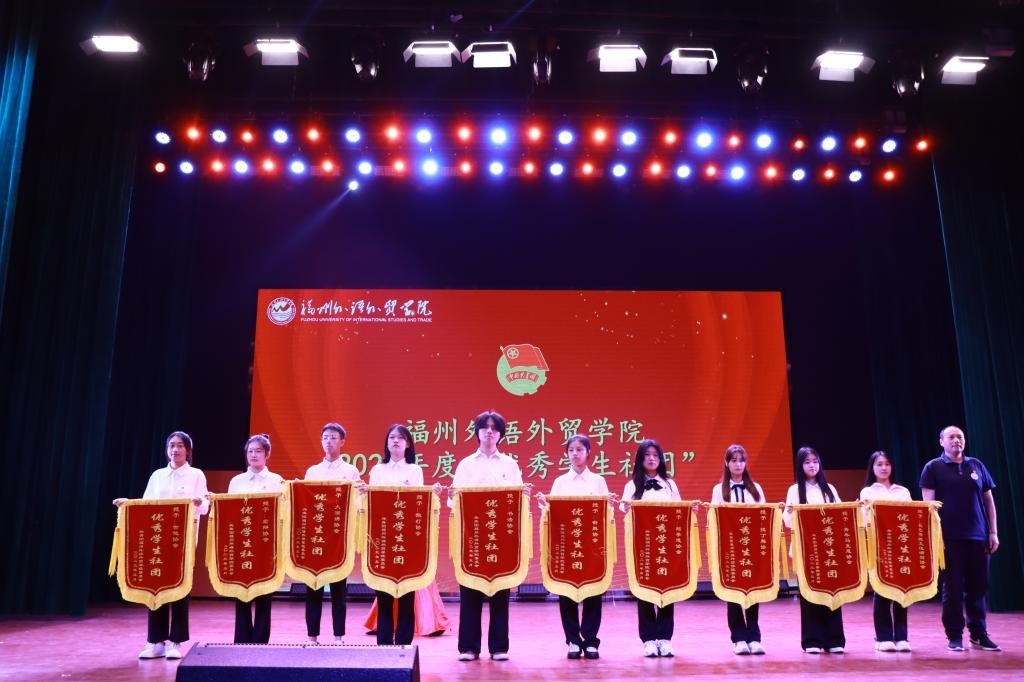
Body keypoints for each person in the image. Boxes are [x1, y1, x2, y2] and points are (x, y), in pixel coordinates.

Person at [112, 431, 209, 660]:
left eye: (180, 446)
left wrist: (199, 502)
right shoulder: (158, 475)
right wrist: (128, 504)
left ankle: (175, 641)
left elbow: (205, 507)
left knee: (180, 588)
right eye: (171, 445)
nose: (175, 450)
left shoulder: (196, 475)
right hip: (157, 539)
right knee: (155, 585)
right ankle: (155, 641)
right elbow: (146, 504)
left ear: (188, 450)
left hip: (182, 541)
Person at [449, 410, 525, 662]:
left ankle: (499, 647)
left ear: (501, 434)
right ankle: (468, 647)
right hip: (472, 537)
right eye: (485, 427)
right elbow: (453, 501)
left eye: (495, 428)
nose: (489, 431)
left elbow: (518, 501)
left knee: (500, 592)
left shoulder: (509, 464)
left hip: (500, 537)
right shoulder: (466, 464)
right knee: (470, 592)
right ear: (477, 432)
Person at [920, 426, 1000, 652]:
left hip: (978, 536)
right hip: (949, 538)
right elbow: (929, 507)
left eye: (960, 437)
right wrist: (935, 538)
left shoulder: (976, 465)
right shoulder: (933, 467)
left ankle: (979, 635)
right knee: (953, 588)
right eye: (951, 437)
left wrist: (993, 532)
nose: (957, 440)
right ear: (941, 441)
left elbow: (988, 501)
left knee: (978, 587)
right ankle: (954, 635)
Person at [536, 434, 616, 660]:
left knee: (594, 592)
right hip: (567, 546)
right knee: (566, 593)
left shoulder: (598, 481)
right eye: (571, 450)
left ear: (588, 452)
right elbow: (552, 513)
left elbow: (605, 514)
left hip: (591, 546)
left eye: (580, 449)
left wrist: (609, 504)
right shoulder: (560, 482)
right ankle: (572, 640)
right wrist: (544, 505)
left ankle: (590, 641)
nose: (575, 453)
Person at [365, 424, 444, 646]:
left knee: (407, 594)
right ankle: (383, 642)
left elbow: (418, 503)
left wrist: (432, 494)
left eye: (400, 438)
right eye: (391, 437)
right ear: (387, 443)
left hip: (407, 538)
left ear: (408, 443)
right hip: (383, 538)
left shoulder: (414, 470)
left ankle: (403, 643)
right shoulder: (377, 471)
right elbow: (372, 504)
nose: (396, 441)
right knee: (384, 593)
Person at [620, 439, 682, 658]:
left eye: (655, 455)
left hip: (665, 544)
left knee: (667, 590)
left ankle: (664, 638)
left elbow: (679, 509)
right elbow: (624, 509)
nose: (652, 458)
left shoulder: (670, 484)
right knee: (644, 590)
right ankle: (648, 639)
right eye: (647, 455)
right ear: (640, 458)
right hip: (643, 545)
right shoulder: (632, 485)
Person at [303, 422, 362, 644]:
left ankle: (339, 636)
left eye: (334, 437)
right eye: (325, 437)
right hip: (316, 536)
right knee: (314, 588)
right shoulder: (312, 471)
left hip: (338, 537)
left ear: (342, 442)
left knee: (338, 590)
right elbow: (306, 503)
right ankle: (312, 637)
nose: (329, 441)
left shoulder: (351, 471)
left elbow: (356, 503)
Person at [783, 446, 845, 655]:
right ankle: (812, 640)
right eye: (807, 462)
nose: (812, 466)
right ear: (800, 466)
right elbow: (787, 521)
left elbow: (840, 514)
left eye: (815, 461)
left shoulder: (829, 489)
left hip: (828, 548)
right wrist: (790, 513)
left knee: (832, 592)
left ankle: (834, 639)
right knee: (809, 594)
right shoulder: (794, 490)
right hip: (805, 549)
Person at [710, 444, 767, 656]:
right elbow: (714, 517)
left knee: (753, 592)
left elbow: (763, 514)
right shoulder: (719, 490)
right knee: (733, 593)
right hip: (731, 548)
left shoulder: (755, 488)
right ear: (726, 463)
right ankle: (739, 638)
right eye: (733, 460)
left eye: (741, 460)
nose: (738, 464)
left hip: (751, 547)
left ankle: (754, 637)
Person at [227, 434, 284, 644]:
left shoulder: (277, 481)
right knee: (241, 592)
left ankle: (260, 641)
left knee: (264, 595)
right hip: (242, 544)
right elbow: (229, 512)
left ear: (267, 454)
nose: (253, 455)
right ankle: (242, 640)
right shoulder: (236, 481)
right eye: (250, 451)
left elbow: (282, 513)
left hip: (266, 546)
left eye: (258, 451)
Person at [858, 450, 913, 653]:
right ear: (872, 468)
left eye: (887, 464)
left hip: (901, 547)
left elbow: (910, 517)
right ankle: (883, 637)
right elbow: (865, 520)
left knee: (902, 591)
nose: (884, 468)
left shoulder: (903, 491)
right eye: (879, 464)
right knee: (882, 591)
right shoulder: (867, 492)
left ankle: (902, 637)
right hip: (879, 547)